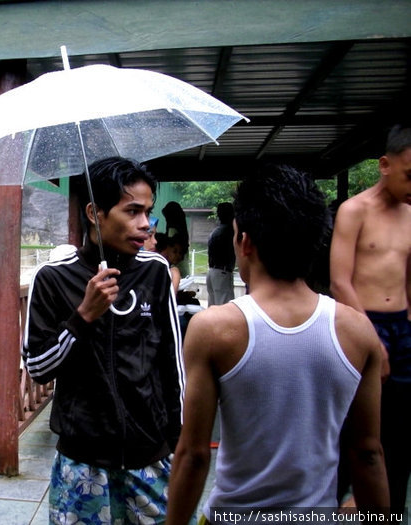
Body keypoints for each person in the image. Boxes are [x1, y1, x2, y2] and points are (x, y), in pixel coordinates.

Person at [166, 165, 389, 525]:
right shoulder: (358, 331)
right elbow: (367, 453)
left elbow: (193, 455)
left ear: (245, 242)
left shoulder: (215, 329)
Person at [23, 156, 184, 524]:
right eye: (132, 211)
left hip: (151, 457)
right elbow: (38, 369)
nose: (145, 224)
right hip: (82, 463)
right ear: (96, 213)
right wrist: (83, 316)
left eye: (148, 212)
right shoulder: (52, 279)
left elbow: (171, 367)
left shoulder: (155, 272)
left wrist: (176, 443)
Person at [329, 124, 411, 514]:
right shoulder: (354, 210)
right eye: (410, 174)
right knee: (353, 426)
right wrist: (370, 340)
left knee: (399, 427)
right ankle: (330, 501)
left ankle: (384, 508)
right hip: (361, 324)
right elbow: (339, 282)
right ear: (385, 164)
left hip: (402, 327)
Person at [206, 202, 236, 306]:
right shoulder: (229, 232)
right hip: (222, 273)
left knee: (213, 307)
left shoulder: (216, 231)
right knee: (224, 307)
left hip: (212, 272)